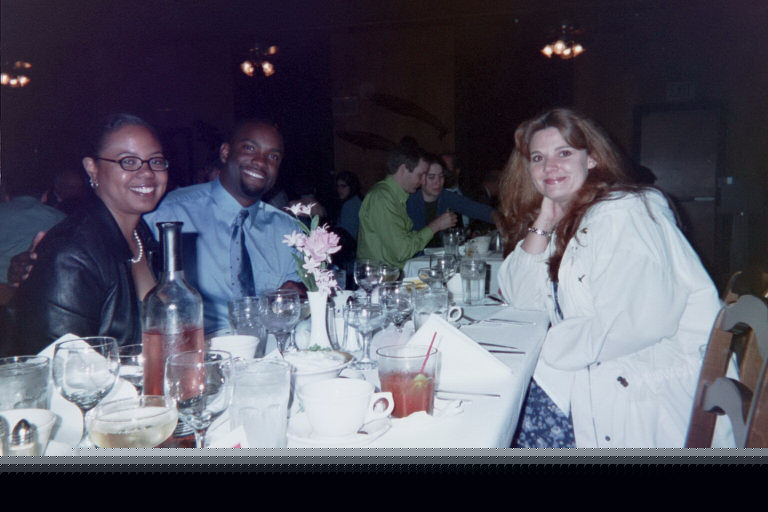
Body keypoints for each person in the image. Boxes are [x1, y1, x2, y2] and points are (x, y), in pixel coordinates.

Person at [496, 108, 726, 448]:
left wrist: (540, 345)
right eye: (538, 158)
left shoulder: (623, 214)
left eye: (564, 153)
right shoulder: (570, 217)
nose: (549, 167)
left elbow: (633, 325)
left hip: (645, 389)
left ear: (592, 158)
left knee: (500, 414)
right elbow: (519, 296)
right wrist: (544, 219)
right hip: (598, 370)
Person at [10, 114, 166, 354]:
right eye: (128, 161)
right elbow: (62, 364)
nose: (147, 172)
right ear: (92, 168)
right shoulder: (71, 254)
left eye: (155, 161)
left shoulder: (143, 237)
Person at [143, 119, 301, 334]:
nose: (261, 162)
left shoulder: (288, 230)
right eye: (249, 148)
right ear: (225, 153)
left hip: (271, 349)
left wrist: (300, 290)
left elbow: (308, 289)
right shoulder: (168, 213)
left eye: (272, 156)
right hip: (197, 347)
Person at [357, 143, 456, 269]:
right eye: (420, 175)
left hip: (391, 274)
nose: (423, 181)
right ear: (403, 170)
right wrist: (435, 225)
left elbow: (405, 242)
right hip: (379, 277)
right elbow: (402, 252)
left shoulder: (397, 196)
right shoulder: (382, 198)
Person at [406, 153, 496, 248]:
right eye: (431, 177)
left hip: (439, 254)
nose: (438, 182)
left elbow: (477, 209)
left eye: (441, 176)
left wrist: (497, 218)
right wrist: (437, 224)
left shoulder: (445, 196)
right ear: (421, 178)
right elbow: (407, 245)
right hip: (416, 256)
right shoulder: (409, 201)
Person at [335, 171, 362, 240]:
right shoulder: (355, 201)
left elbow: (347, 235)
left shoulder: (350, 205)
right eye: (338, 186)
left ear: (351, 187)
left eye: (343, 186)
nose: (339, 190)